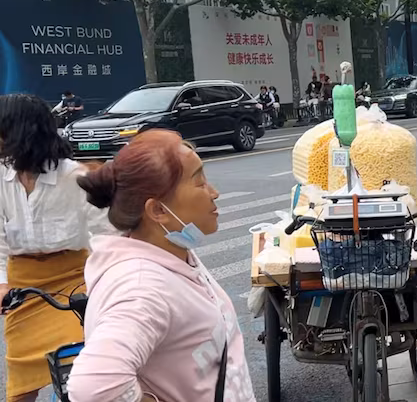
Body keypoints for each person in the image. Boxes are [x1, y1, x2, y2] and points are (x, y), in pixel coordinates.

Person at [68, 130, 255, 401]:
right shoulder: (142, 287)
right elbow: (92, 388)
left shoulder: (169, 251)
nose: (214, 193)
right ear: (158, 211)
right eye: (199, 182)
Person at [0, 94, 113, 402]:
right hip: (21, 288)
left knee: (78, 364)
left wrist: (108, 281)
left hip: (74, 279)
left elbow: (108, 235)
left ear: (18, 132)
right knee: (20, 383)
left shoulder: (76, 177)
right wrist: (2, 285)